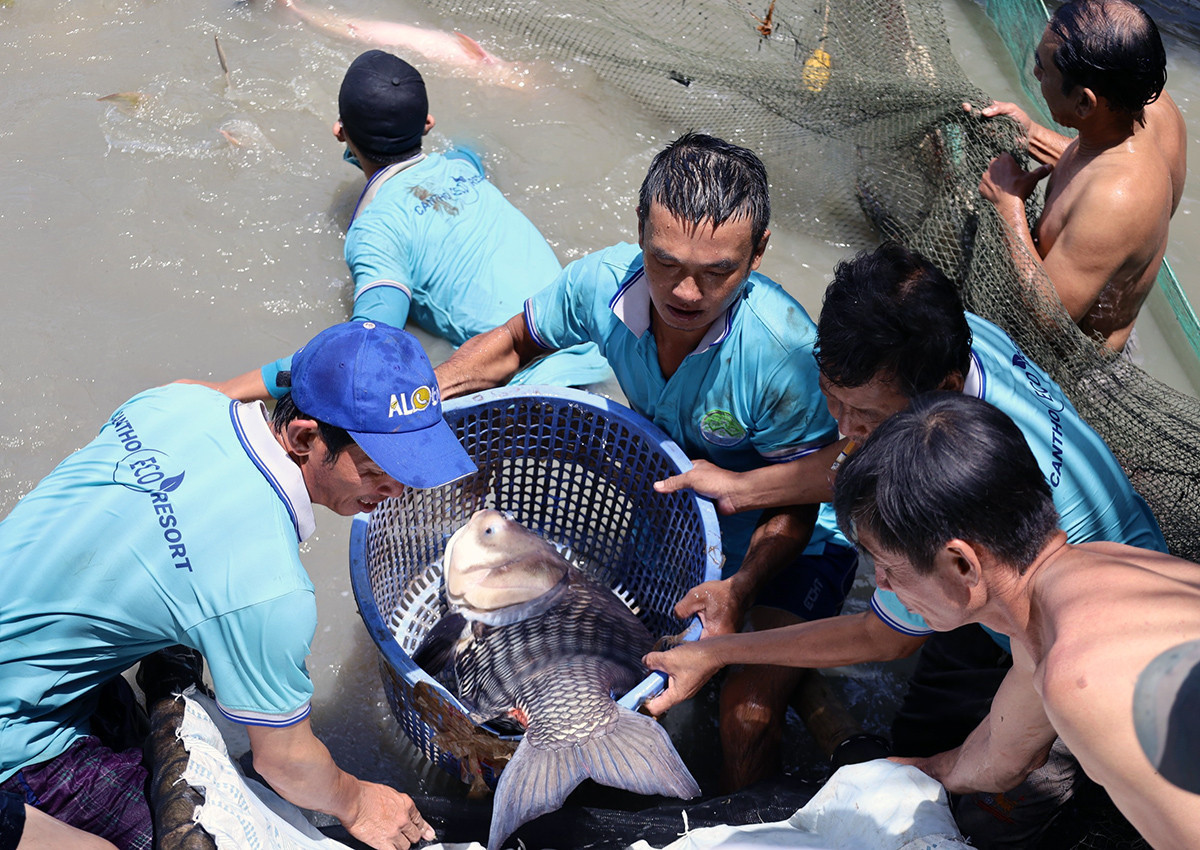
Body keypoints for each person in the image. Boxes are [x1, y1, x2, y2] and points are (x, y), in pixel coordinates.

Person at [647, 242, 1166, 847]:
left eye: (863, 412)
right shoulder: (947, 340)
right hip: (1081, 580)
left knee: (969, 822)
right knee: (938, 758)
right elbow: (868, 448)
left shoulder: (1063, 663)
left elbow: (880, 635)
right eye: (830, 398)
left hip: (1078, 638)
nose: (844, 426)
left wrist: (722, 651)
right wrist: (742, 487)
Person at [434, 132, 858, 791]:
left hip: (791, 543)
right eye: (665, 263)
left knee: (744, 715)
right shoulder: (601, 285)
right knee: (619, 664)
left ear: (760, 252)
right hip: (675, 518)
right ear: (639, 234)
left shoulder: (780, 353)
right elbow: (515, 345)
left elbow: (802, 500)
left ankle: (752, 815)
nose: (687, 292)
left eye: (718, 271)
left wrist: (739, 592)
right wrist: (420, 401)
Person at [0, 320, 475, 850]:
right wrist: (359, 801)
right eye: (375, 471)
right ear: (303, 438)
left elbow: (245, 388)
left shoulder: (168, 403)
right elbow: (285, 762)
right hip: (17, 740)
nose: (395, 492)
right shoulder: (268, 589)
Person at [832, 391, 1200, 850]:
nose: (881, 584)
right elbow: (1003, 757)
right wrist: (902, 774)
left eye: (888, 565)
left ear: (962, 564)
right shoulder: (1077, 587)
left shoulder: (1083, 677)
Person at [204, 49, 610, 402]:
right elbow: (473, 148)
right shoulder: (461, 167)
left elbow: (365, 348)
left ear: (338, 131)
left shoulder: (376, 232)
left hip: (525, 390)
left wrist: (230, 389)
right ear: (428, 124)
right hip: (598, 362)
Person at [972, 0, 1186, 354]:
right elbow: (1096, 162)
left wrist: (1007, 205)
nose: (1037, 75)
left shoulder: (1116, 201)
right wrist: (1030, 135)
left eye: (1043, 69)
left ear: (1085, 104)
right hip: (1086, 285)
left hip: (1073, 368)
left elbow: (1048, 319)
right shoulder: (1146, 104)